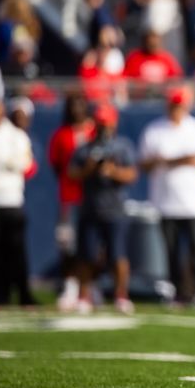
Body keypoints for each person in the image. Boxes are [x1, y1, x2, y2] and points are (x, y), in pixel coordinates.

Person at [138, 86, 195, 305]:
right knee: (171, 251)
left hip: (193, 202)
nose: (177, 109)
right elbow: (144, 163)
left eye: (180, 105)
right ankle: (179, 291)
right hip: (165, 202)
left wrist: (191, 161)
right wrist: (164, 161)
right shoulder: (155, 129)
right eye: (174, 105)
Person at [68, 103, 137, 314]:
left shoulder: (122, 147)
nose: (103, 127)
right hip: (90, 208)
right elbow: (72, 174)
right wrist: (89, 169)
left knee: (118, 256)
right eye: (100, 123)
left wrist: (112, 171)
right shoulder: (84, 148)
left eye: (106, 123)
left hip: (114, 209)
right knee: (86, 256)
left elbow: (131, 175)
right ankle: (83, 296)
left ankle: (121, 295)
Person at [0, 97, 35, 305]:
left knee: (15, 250)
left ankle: (23, 293)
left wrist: (2, 164)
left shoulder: (16, 136)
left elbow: (23, 162)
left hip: (11, 199)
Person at [50, 91, 96, 311]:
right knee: (68, 245)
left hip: (94, 199)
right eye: (72, 105)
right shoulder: (62, 134)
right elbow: (57, 165)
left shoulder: (94, 132)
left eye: (80, 104)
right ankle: (70, 286)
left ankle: (89, 286)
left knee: (92, 246)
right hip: (70, 197)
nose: (77, 109)